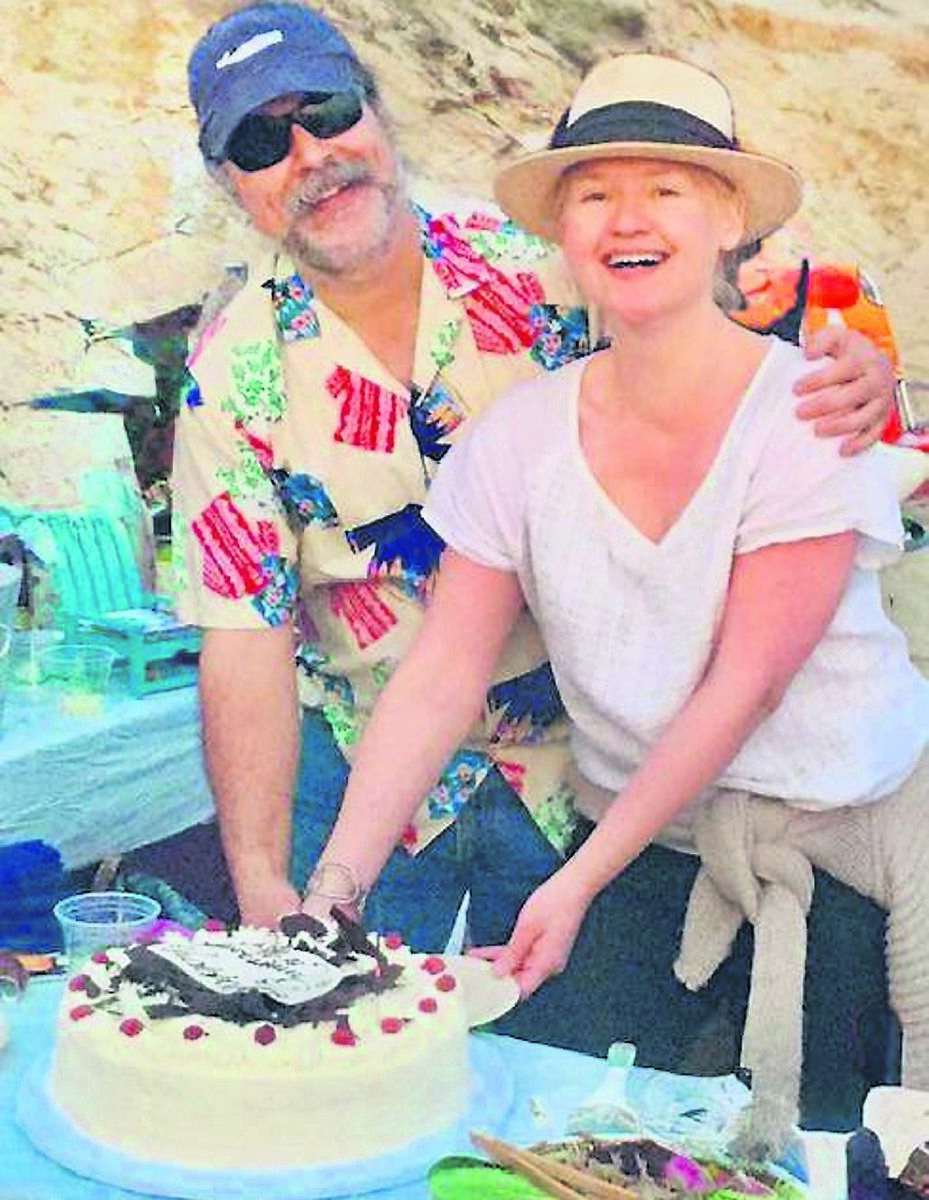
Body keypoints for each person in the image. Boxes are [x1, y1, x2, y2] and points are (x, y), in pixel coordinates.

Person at [300, 53, 929, 1148]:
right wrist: (333, 892)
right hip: (647, 840)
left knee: (835, 1143)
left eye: (666, 187)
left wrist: (573, 884)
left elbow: (745, 682)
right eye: (593, 192)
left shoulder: (806, 416)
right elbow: (442, 674)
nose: (626, 217)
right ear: (562, 229)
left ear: (727, 219)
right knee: (544, 1122)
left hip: (841, 845)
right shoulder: (515, 441)